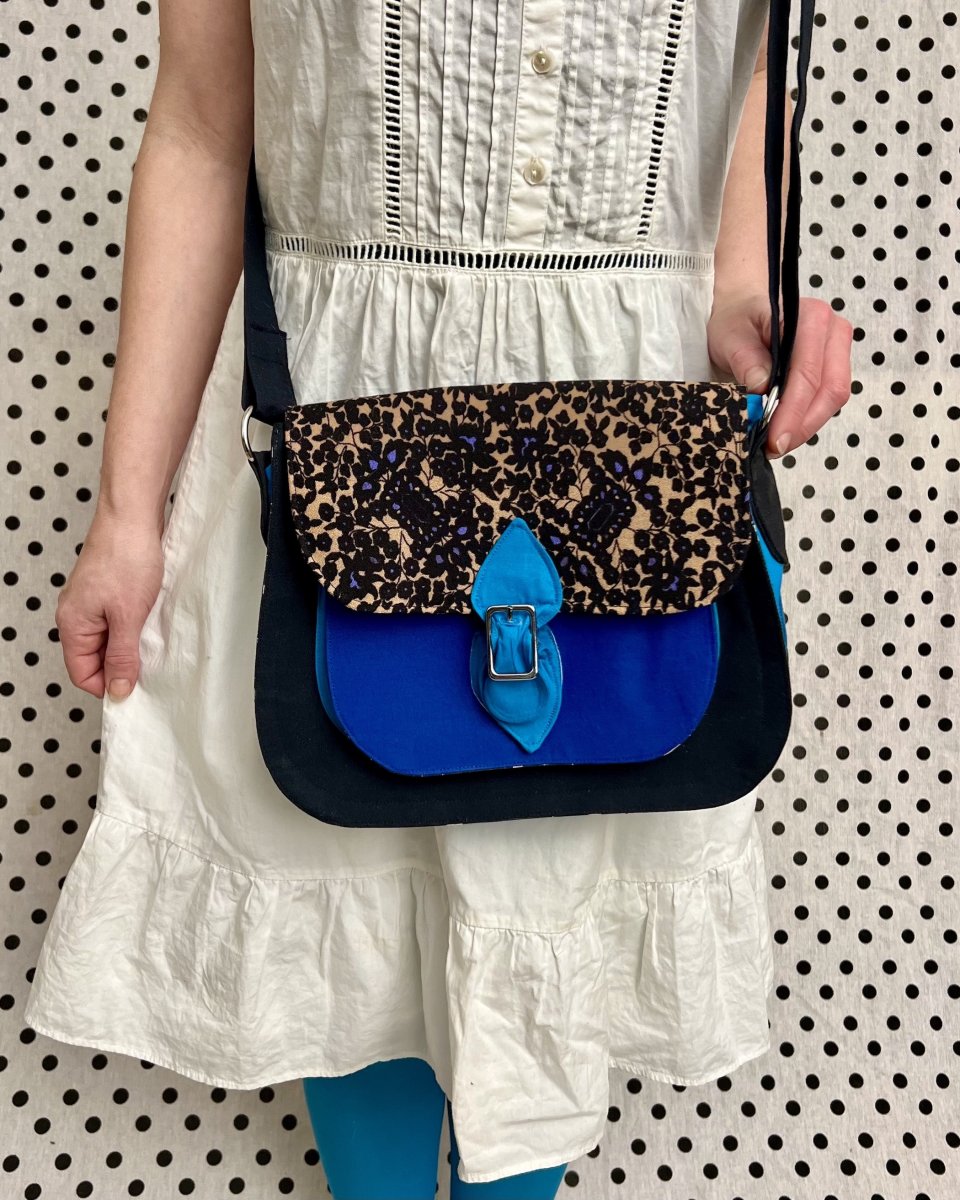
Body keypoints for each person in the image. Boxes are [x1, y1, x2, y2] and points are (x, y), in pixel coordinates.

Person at [25, 0, 852, 1194]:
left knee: (556, 894)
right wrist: (126, 515)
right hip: (337, 434)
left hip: (629, 442)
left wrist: (741, 290)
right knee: (351, 883)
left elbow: (751, 85)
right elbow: (203, 129)